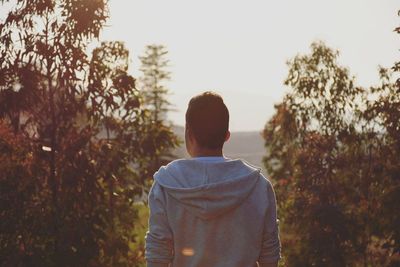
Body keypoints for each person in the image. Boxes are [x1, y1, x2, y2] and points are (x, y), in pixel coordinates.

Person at [145, 92, 281, 267]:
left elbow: (157, 256)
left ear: (189, 134)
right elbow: (269, 257)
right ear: (226, 135)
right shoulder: (259, 187)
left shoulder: (166, 185)